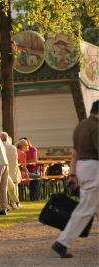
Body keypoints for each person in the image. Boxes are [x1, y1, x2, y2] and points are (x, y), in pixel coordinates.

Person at [52, 100, 99, 258]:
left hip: (83, 167)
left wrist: (73, 173)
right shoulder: (96, 127)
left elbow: (75, 152)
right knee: (85, 209)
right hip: (94, 167)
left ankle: (62, 242)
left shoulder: (81, 126)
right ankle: (62, 243)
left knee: (93, 204)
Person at [0, 132, 21, 209]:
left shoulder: (0, 147)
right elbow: (16, 160)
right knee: (14, 186)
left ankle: (8, 203)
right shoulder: (13, 148)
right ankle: (15, 202)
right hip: (13, 170)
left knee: (4, 187)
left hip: (4, 170)